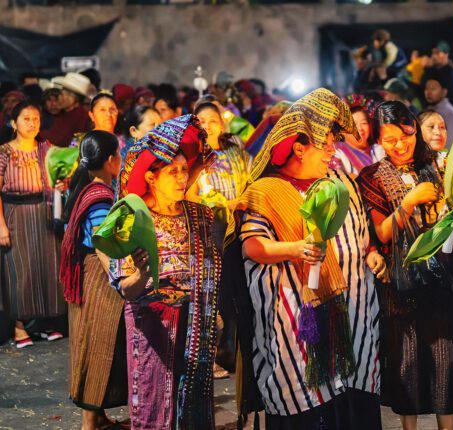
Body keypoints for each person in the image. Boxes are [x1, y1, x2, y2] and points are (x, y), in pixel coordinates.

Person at [225, 88, 385, 429]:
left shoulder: (341, 181)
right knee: (301, 396)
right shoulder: (268, 189)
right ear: (299, 147)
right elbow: (252, 246)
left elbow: (360, 233)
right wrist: (296, 249)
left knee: (346, 397)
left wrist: (371, 254)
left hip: (346, 313)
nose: (333, 149)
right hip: (291, 320)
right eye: (325, 142)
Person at [358, 101, 453, 430]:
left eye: (405, 136)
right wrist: (408, 203)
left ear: (414, 130)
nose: (399, 145)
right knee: (407, 357)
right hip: (403, 281)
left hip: (445, 275)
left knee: (446, 356)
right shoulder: (372, 177)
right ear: (378, 140)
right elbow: (380, 231)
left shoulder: (437, 166)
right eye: (389, 139)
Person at [109, 114, 220, 429]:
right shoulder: (132, 218)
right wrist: (144, 274)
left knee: (193, 412)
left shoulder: (198, 215)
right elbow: (125, 289)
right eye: (173, 172)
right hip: (153, 334)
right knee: (154, 408)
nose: (182, 177)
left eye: (185, 170)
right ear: (151, 178)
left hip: (195, 329)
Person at [59, 130, 127, 430]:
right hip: (98, 278)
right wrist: (120, 276)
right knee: (99, 344)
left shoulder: (88, 188)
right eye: (120, 154)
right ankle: (90, 422)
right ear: (111, 160)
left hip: (88, 275)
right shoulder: (100, 198)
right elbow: (103, 245)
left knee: (94, 343)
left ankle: (98, 417)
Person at [0, 101, 65, 348]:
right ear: (14, 123)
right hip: (15, 213)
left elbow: (60, 178)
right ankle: (19, 328)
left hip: (44, 213)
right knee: (20, 271)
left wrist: (61, 184)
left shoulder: (47, 149)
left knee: (47, 268)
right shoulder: (4, 152)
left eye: (36, 119)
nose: (31, 123)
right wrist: (1, 225)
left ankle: (45, 323)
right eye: (26, 119)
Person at [186, 101, 249, 240]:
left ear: (221, 124)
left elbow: (251, 180)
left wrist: (241, 203)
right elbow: (191, 198)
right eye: (201, 121)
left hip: (242, 221)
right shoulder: (192, 158)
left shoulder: (235, 149)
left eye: (213, 121)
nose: (207, 126)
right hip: (211, 228)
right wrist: (224, 207)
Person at [330, 94, 384, 176]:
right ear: (341, 130)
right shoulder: (336, 154)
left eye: (364, 123)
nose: (360, 129)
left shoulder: (379, 150)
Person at [43, 72, 91, 147]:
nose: (59, 98)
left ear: (72, 98)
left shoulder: (81, 117)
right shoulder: (62, 113)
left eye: (62, 94)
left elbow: (74, 144)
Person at [424, 75, 453, 148]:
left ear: (444, 92)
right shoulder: (428, 109)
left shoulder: (449, 112)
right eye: (427, 88)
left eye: (433, 89)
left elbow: (449, 142)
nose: (429, 92)